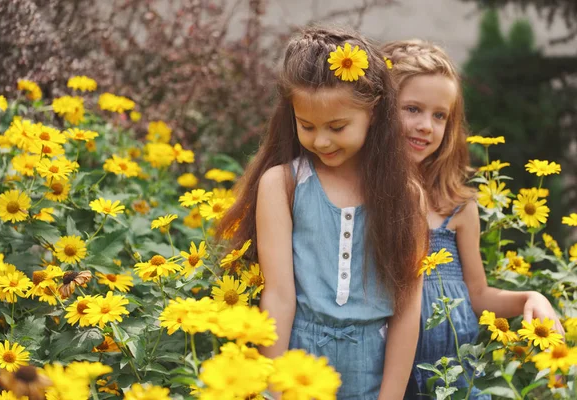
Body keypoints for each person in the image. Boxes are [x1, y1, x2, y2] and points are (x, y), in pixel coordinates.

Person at [217, 27, 429, 399]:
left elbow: (407, 310)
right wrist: (272, 389)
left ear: (375, 112)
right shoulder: (282, 185)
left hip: (373, 375)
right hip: (296, 366)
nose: (321, 141)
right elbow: (280, 297)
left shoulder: (406, 198)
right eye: (307, 126)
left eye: (337, 127)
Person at [380, 39, 565, 399]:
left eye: (439, 116)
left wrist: (532, 296)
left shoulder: (458, 206)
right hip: (388, 383)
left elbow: (477, 294)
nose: (426, 126)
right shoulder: (368, 199)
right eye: (412, 109)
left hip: (455, 383)